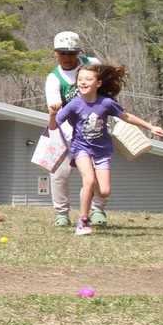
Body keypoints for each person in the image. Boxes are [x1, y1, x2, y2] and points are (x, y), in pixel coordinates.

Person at [48, 63, 163, 236]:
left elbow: (126, 116)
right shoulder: (74, 104)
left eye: (88, 79)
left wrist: (150, 126)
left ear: (99, 83)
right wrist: (51, 115)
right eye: (80, 79)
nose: (83, 82)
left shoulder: (106, 103)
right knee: (88, 180)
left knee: (104, 191)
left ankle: (89, 193)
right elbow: (53, 126)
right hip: (81, 148)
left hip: (102, 151)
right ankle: (83, 221)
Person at [45, 31, 108, 227]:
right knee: (59, 173)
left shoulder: (93, 64)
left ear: (78, 52)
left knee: (97, 173)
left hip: (94, 127)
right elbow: (58, 110)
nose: (66, 57)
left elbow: (109, 87)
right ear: (55, 53)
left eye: (71, 53)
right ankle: (62, 213)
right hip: (67, 130)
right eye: (62, 53)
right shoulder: (54, 79)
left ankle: (98, 210)